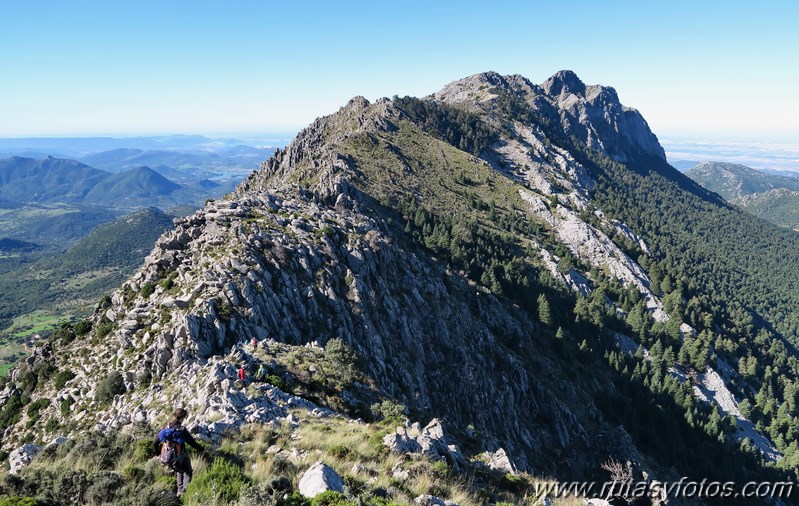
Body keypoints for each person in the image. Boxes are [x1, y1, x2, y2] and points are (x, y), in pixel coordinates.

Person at [153, 407, 204, 498]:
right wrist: (201, 449)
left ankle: (179, 492)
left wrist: (158, 455)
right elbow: (192, 443)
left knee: (179, 471)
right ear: (183, 418)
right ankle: (184, 493)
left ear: (173, 416)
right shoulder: (181, 429)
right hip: (180, 456)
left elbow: (155, 442)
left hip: (167, 458)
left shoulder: (165, 427)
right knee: (187, 471)